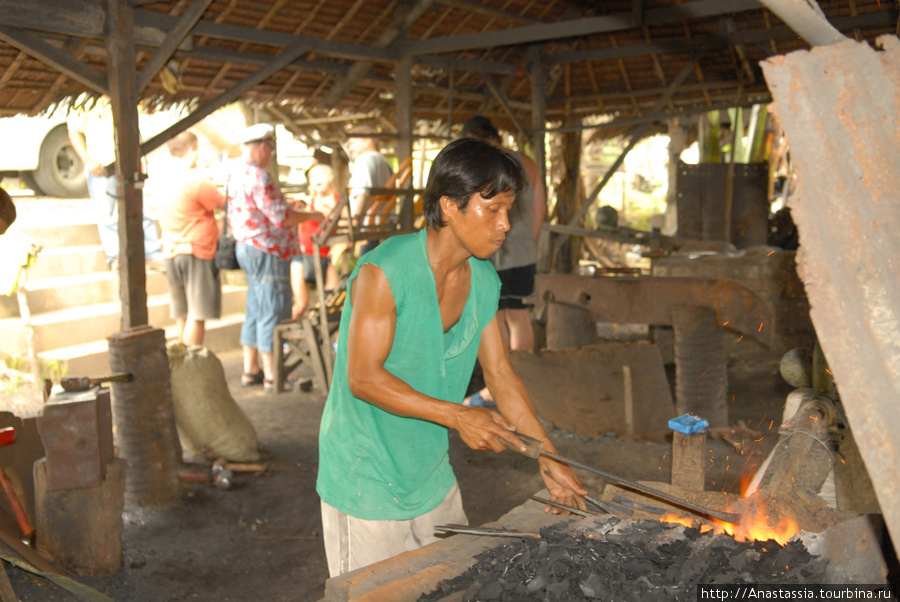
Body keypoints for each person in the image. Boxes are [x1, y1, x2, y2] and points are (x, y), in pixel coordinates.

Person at [316, 137, 587, 577]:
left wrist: (549, 456)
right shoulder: (384, 272)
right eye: (492, 209)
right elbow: (363, 378)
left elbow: (501, 375)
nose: (505, 225)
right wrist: (460, 417)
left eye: (509, 209)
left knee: (453, 583)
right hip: (365, 474)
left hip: (429, 470)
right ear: (448, 206)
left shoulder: (482, 279)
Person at [227, 123, 324, 392]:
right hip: (267, 250)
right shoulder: (259, 175)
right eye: (270, 147)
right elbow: (282, 218)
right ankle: (273, 374)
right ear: (261, 146)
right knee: (272, 310)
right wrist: (313, 216)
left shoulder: (238, 173)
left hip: (248, 247)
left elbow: (264, 210)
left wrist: (289, 205)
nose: (271, 153)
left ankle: (252, 369)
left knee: (256, 309)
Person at [461, 116, 547, 407]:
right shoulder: (527, 162)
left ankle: (498, 385)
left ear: (475, 137)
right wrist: (526, 243)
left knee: (494, 317)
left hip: (494, 251)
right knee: (519, 315)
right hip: (523, 250)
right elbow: (540, 209)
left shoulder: (486, 164)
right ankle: (519, 378)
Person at [67, 96, 163, 270]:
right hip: (101, 166)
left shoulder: (129, 96)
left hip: (130, 163)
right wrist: (87, 160)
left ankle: (152, 255)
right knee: (106, 215)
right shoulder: (85, 101)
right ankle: (115, 257)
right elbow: (73, 131)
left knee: (143, 209)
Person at [158, 131, 225, 346]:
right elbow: (226, 204)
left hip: (171, 250)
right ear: (193, 148)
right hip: (196, 250)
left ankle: (183, 362)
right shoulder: (197, 180)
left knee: (182, 313)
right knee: (197, 313)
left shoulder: (163, 179)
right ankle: (192, 361)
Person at [291, 163, 340, 320]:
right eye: (312, 176)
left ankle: (336, 343)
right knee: (301, 305)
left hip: (325, 256)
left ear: (330, 178)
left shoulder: (338, 200)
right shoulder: (307, 201)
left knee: (334, 302)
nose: (316, 178)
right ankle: (289, 342)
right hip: (303, 256)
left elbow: (346, 223)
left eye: (320, 174)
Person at [346, 125, 393, 256]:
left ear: (368, 141)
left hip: (369, 230)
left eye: (353, 143)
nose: (350, 148)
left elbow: (364, 194)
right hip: (384, 226)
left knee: (367, 273)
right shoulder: (383, 161)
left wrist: (355, 224)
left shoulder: (364, 159)